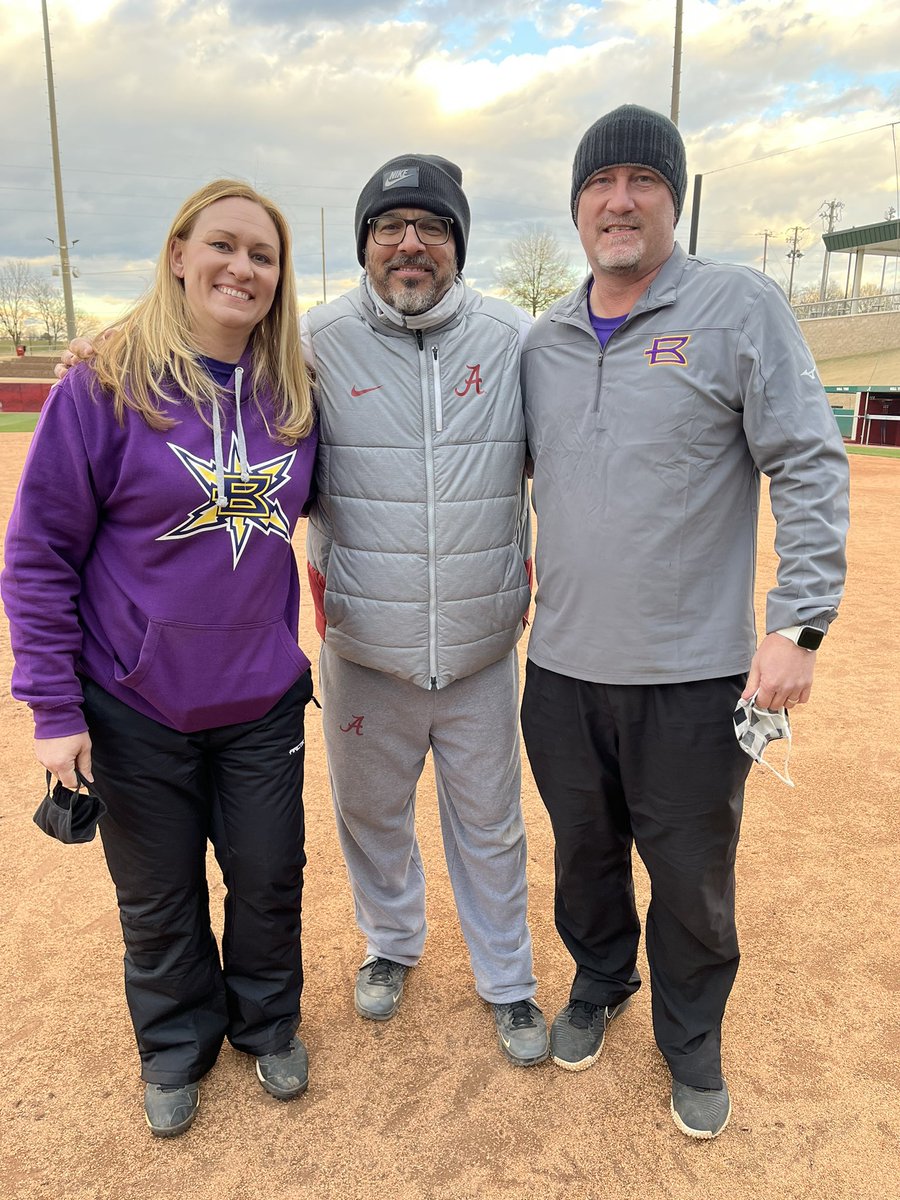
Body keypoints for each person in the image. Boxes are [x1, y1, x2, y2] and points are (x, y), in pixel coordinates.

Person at [519, 106, 849, 1136]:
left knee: (693, 878)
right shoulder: (542, 341)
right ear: (576, 207)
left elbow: (807, 460)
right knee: (582, 855)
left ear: (674, 196)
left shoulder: (738, 306)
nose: (621, 200)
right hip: (564, 671)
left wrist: (798, 626)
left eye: (642, 180)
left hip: (697, 678)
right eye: (600, 183)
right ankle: (603, 978)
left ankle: (691, 1040)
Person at [2, 180, 318, 1138]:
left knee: (268, 877)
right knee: (158, 893)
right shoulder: (103, 383)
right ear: (179, 253)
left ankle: (266, 1024)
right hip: (133, 702)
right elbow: (39, 551)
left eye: (262, 255)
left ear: (279, 278)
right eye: (222, 245)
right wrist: (54, 711)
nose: (242, 268)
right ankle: (177, 1043)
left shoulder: (293, 394)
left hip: (260, 699)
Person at [304, 154, 548, 1066]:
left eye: (432, 227)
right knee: (369, 816)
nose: (410, 243)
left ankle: (508, 980)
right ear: (364, 244)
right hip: (367, 649)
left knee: (491, 825)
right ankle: (391, 943)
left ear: (458, 244)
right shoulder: (313, 340)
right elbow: (208, 379)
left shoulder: (517, 337)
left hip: (483, 650)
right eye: (389, 226)